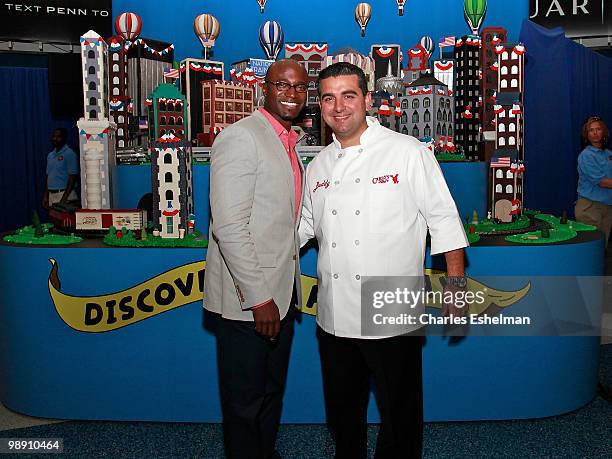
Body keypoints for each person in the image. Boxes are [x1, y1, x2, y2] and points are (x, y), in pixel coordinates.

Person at [299, 62, 469, 458]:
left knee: (400, 417)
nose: (338, 107)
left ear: (367, 100)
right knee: (343, 416)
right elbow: (303, 228)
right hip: (335, 313)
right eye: (328, 98)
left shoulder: (407, 152)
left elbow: (443, 218)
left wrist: (456, 290)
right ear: (320, 105)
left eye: (348, 95)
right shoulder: (318, 166)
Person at [203, 59, 308, 459]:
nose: (291, 94)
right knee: (245, 404)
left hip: (280, 298)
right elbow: (228, 227)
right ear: (264, 88)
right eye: (282, 85)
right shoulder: (241, 137)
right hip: (250, 302)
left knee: (269, 395)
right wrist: (259, 298)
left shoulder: (287, 142)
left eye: (299, 87)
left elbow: (283, 222)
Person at [575, 116, 612, 248]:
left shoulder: (608, 154)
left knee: (602, 248)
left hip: (607, 207)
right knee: (590, 250)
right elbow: (602, 182)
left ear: (604, 132)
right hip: (590, 208)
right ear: (587, 135)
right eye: (591, 130)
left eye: (598, 129)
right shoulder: (586, 156)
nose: (595, 133)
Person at [43, 128, 79, 208]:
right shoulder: (50, 155)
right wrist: (46, 196)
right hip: (52, 195)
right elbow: (48, 176)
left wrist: (64, 199)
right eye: (53, 136)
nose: (55, 139)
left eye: (58, 137)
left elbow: (72, 177)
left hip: (65, 195)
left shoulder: (70, 154)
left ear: (64, 138)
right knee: (53, 220)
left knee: (65, 220)